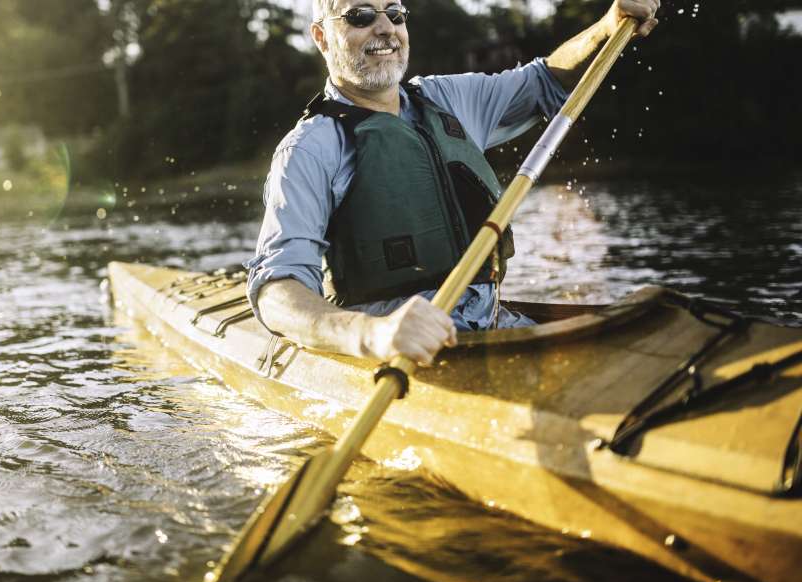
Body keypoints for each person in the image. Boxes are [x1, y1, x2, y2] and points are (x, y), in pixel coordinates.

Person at [245, 0, 660, 366]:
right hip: (398, 348)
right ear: (322, 36)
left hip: (491, 324)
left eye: (395, 13)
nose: (385, 27)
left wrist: (607, 26)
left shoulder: (446, 100)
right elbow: (277, 293)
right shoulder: (309, 148)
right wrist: (373, 334)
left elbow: (546, 81)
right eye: (360, 15)